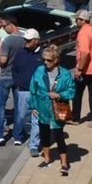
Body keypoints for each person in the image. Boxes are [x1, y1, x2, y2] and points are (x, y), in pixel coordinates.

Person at [32, 45, 76, 177]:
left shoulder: (65, 74)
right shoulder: (39, 71)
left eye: (49, 60)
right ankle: (46, 158)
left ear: (56, 60)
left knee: (59, 136)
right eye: (44, 59)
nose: (45, 62)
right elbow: (33, 89)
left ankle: (64, 163)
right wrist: (33, 106)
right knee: (44, 134)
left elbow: (72, 91)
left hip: (58, 109)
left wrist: (59, 95)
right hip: (42, 108)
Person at [72, 10, 92, 128]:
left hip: (86, 70)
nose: (76, 21)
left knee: (77, 94)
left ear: (82, 20)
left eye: (77, 19)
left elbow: (85, 53)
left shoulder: (83, 33)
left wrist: (79, 69)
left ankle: (75, 118)